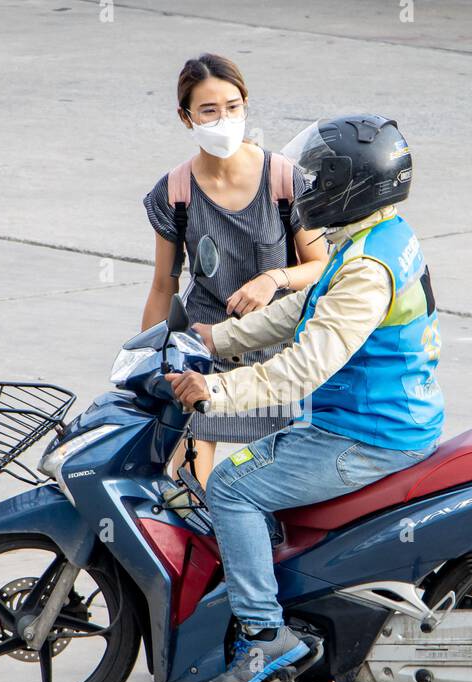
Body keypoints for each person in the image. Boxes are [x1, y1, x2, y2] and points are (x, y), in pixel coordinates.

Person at [166, 114, 445, 682]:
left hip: (364, 434)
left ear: (354, 185)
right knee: (256, 481)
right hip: (383, 419)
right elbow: (305, 308)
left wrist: (217, 391)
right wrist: (217, 339)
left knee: (231, 487)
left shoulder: (366, 269)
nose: (310, 188)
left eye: (321, 178)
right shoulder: (379, 238)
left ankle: (265, 635)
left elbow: (304, 367)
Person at [142, 53, 329, 485]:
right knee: (187, 488)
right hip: (205, 346)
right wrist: (151, 359)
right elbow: (163, 286)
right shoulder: (175, 192)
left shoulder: (283, 179)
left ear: (246, 105)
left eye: (233, 107)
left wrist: (274, 278)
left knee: (276, 485)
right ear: (186, 118)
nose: (223, 119)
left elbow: (322, 265)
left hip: (279, 351)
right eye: (209, 110)